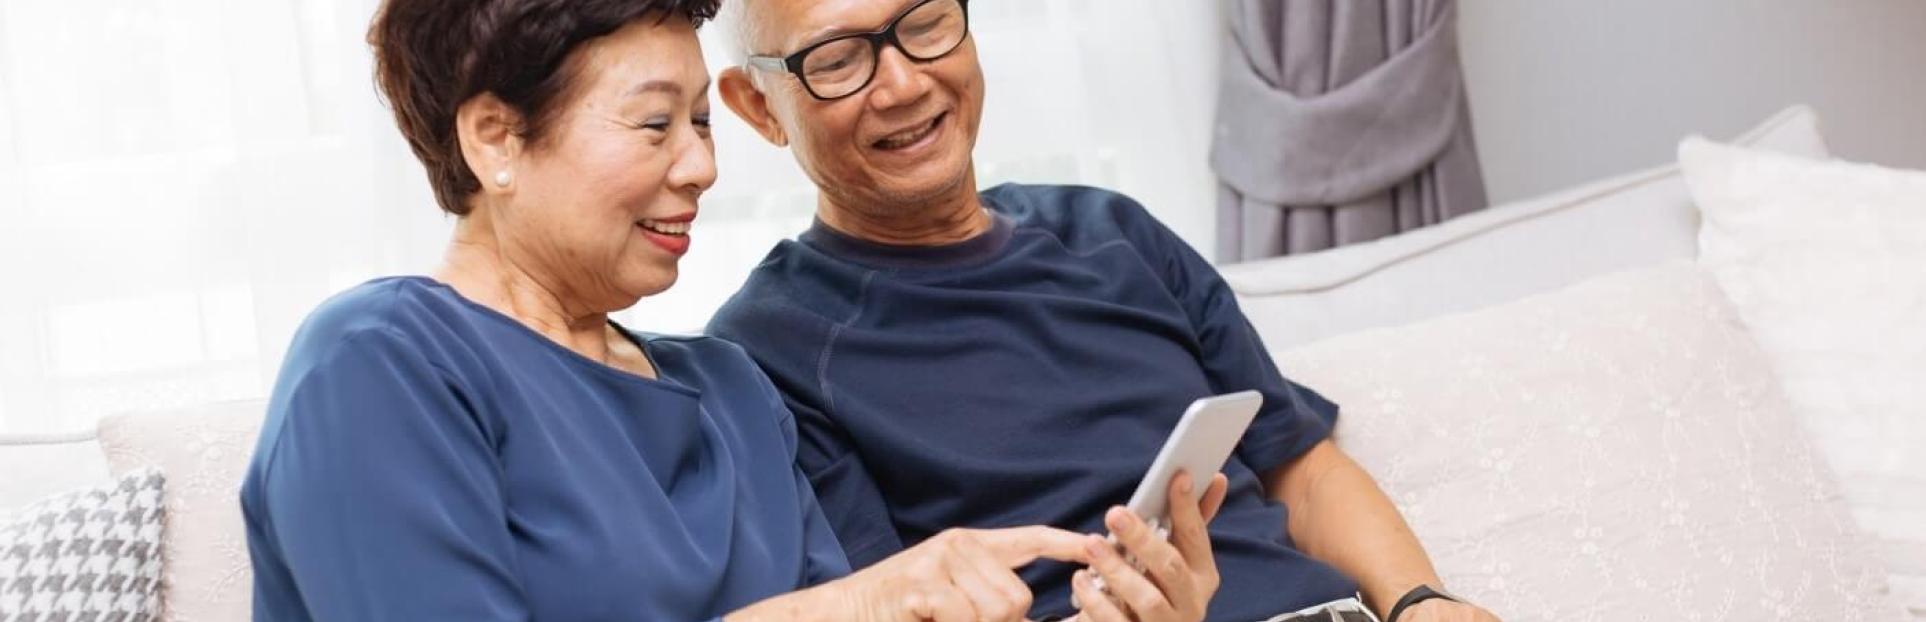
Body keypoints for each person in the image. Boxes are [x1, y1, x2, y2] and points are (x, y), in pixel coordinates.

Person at [240, 1, 1220, 620]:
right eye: (657, 123)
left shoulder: (731, 391)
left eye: (703, 121)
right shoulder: (381, 365)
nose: (703, 165)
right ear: (497, 139)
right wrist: (853, 605)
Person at [707, 0, 1503, 620]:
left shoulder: (1113, 232)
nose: (906, 83)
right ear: (758, 107)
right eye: (838, 60)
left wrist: (1418, 601)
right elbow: (886, 605)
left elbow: (1301, 463)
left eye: (925, 24)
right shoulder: (766, 352)